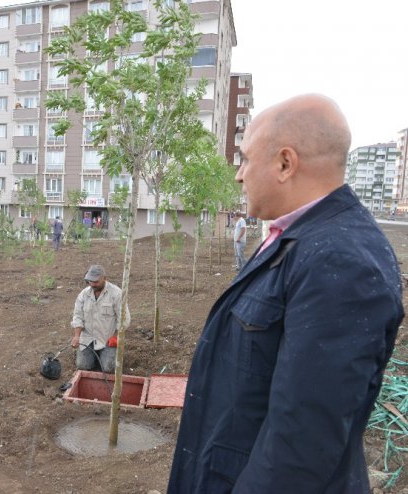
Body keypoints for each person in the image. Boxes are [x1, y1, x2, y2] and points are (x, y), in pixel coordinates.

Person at [167, 94, 404, 493]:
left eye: (244, 159)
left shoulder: (341, 262)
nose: (238, 175)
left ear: (284, 163)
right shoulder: (301, 238)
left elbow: (300, 448)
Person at [70, 265, 129, 374]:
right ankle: (95, 358)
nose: (92, 284)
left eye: (96, 282)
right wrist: (77, 336)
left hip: (107, 338)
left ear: (104, 278)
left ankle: (104, 357)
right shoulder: (83, 295)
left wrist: (116, 336)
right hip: (88, 338)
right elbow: (78, 316)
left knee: (109, 368)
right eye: (90, 281)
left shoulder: (116, 294)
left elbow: (124, 319)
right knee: (83, 366)